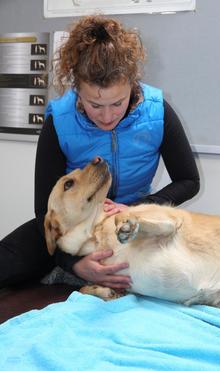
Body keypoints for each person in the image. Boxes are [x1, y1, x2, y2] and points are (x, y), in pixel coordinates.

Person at [0, 15, 200, 290]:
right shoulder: (58, 119)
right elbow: (44, 210)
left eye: (118, 103)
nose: (107, 117)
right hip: (74, 228)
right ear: (77, 92)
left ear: (132, 83)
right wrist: (74, 263)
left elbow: (189, 181)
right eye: (95, 105)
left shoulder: (157, 111)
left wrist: (136, 210)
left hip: (131, 221)